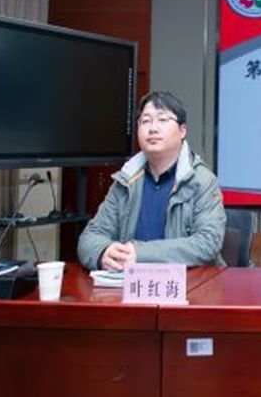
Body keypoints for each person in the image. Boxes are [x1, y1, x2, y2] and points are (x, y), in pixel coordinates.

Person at [78, 91, 226, 271]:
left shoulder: (201, 180)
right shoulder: (126, 180)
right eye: (145, 121)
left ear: (182, 131)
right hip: (131, 283)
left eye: (162, 120)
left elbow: (208, 243)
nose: (153, 128)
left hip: (191, 283)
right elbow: (90, 236)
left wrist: (140, 254)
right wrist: (103, 252)